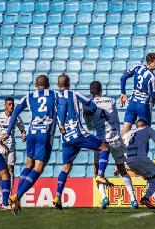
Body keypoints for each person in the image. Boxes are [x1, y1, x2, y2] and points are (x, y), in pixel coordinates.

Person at [2, 75, 64, 214]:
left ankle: (16, 195)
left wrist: (8, 131)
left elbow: (15, 112)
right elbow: (64, 104)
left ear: (36, 85)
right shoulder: (54, 94)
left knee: (28, 165)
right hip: (44, 134)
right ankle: (17, 195)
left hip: (31, 134)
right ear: (48, 84)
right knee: (38, 168)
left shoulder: (28, 96)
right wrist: (62, 121)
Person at [53, 74, 112, 210]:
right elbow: (91, 106)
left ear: (58, 84)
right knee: (104, 148)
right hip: (78, 134)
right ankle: (100, 175)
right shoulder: (74, 94)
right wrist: (87, 112)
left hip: (65, 138)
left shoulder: (54, 97)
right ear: (69, 83)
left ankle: (57, 196)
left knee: (66, 168)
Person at [83, 81, 138, 209]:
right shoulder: (110, 100)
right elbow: (115, 117)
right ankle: (133, 200)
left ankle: (104, 198)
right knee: (122, 169)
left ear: (91, 92)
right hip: (116, 139)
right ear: (101, 90)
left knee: (97, 171)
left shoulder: (88, 106)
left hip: (102, 141)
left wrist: (88, 117)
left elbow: (91, 127)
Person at [123, 119, 155, 209]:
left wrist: (119, 165)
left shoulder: (128, 133)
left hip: (127, 161)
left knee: (151, 178)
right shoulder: (148, 129)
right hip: (139, 159)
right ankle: (146, 198)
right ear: (146, 125)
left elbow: (121, 147)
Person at [119, 53, 155, 136]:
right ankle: (143, 149)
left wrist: (123, 93)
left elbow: (123, 77)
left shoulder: (137, 67)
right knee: (145, 132)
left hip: (132, 103)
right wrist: (151, 105)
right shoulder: (152, 77)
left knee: (126, 129)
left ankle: (123, 148)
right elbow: (154, 94)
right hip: (143, 105)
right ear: (149, 63)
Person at [0, 97, 26, 207]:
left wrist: (23, 134)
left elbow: (22, 129)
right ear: (5, 105)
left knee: (10, 170)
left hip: (11, 147)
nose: (11, 106)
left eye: (12, 104)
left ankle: (8, 195)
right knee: (1, 172)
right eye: (9, 104)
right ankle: (0, 197)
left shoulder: (16, 117)